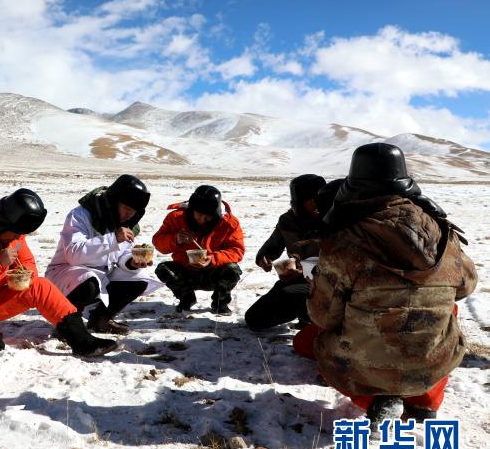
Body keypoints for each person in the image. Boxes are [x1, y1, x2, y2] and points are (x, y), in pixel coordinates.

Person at [308, 143, 477, 426]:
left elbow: (323, 314)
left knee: (324, 339)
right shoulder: (442, 231)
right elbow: (466, 286)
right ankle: (425, 402)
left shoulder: (344, 241)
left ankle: (378, 399)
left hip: (366, 364)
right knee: (446, 313)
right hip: (434, 362)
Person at [0, 188, 117, 362]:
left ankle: (82, 341)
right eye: (15, 234)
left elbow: (27, 263)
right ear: (2, 224)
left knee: (40, 286)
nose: (17, 238)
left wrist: (25, 275)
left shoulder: (14, 231)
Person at [45, 175, 163, 334]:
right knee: (89, 282)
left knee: (139, 280)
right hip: (65, 272)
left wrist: (131, 263)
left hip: (100, 275)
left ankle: (100, 319)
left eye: (134, 211)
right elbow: (74, 254)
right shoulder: (81, 215)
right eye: (127, 208)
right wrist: (113, 239)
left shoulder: (125, 224)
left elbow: (122, 255)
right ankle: (67, 324)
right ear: (113, 201)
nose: (130, 215)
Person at [244, 174, 325, 330]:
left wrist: (309, 271)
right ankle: (304, 313)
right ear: (299, 202)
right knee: (254, 319)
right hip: (296, 281)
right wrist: (264, 258)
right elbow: (272, 246)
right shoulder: (288, 221)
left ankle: (311, 319)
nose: (315, 204)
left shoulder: (333, 221)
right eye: (310, 200)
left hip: (327, 285)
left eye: (318, 199)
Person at [153, 185, 245, 314]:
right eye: (199, 214)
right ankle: (187, 298)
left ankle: (220, 303)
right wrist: (176, 239)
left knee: (232, 270)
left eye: (208, 217)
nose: (202, 220)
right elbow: (158, 242)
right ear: (192, 210)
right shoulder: (176, 218)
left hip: (214, 273)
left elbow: (237, 250)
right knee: (163, 269)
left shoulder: (229, 223)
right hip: (186, 272)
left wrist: (212, 259)